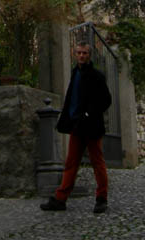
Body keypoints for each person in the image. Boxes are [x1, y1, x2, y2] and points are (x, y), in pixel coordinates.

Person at [40, 41, 112, 214]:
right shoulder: (75, 73)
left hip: (91, 126)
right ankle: (61, 198)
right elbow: (73, 98)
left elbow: (106, 100)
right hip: (77, 126)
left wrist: (88, 114)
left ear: (89, 55)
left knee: (97, 162)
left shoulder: (96, 76)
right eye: (79, 53)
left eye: (84, 53)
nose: (81, 56)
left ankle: (101, 198)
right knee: (71, 162)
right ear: (74, 54)